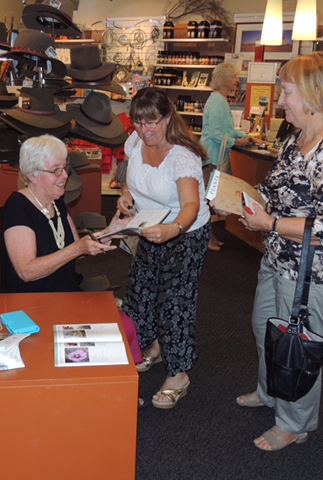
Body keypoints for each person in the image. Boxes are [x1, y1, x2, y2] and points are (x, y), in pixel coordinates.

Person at [234, 52, 323, 451]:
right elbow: (281, 191)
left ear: (310, 93)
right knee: (266, 329)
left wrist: (269, 224)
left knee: (298, 343)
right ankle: (272, 390)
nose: (280, 100)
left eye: (286, 91)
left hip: (316, 269)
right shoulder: (299, 137)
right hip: (280, 256)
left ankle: (294, 422)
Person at [0, 134, 144, 375]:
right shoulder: (17, 209)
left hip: (64, 297)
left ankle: (114, 389)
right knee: (115, 331)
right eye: (55, 170)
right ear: (32, 175)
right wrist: (78, 248)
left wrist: (110, 231)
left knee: (125, 325)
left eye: (64, 168)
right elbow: (26, 271)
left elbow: (76, 249)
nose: (64, 175)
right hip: (32, 306)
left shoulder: (55, 202)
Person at [117, 87, 210, 409]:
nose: (145, 130)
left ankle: (179, 372)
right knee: (140, 294)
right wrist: (126, 193)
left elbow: (191, 206)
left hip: (185, 233)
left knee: (174, 302)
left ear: (167, 118)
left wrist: (174, 229)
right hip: (150, 226)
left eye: (152, 122)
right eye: (139, 123)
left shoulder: (182, 156)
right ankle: (152, 347)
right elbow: (127, 173)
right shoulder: (135, 141)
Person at [200, 62, 253, 251]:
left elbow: (226, 130)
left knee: (209, 199)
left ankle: (209, 236)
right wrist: (235, 142)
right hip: (211, 157)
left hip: (215, 156)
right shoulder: (216, 101)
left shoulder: (220, 100)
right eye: (234, 77)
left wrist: (242, 136)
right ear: (224, 79)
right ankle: (205, 238)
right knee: (206, 201)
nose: (237, 81)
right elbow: (215, 134)